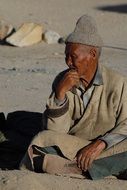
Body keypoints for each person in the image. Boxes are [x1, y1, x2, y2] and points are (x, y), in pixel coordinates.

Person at [20, 15, 127, 180]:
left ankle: (71, 168)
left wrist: (100, 144)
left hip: (108, 148)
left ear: (93, 54)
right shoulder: (62, 81)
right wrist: (59, 95)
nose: (68, 62)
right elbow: (55, 132)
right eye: (66, 56)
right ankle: (102, 170)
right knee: (41, 140)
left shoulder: (119, 83)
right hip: (75, 148)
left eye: (73, 56)